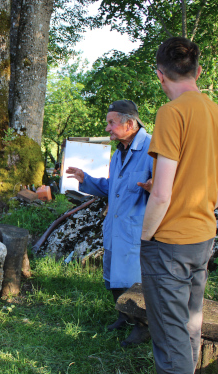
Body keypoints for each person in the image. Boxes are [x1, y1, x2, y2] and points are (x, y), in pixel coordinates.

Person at [136, 37, 218, 374]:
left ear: (160, 75)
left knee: (170, 334)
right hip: (202, 238)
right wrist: (200, 210)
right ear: (199, 71)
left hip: (169, 244)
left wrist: (146, 236)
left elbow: (161, 193)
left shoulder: (171, 114)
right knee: (190, 324)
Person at [66, 100, 153, 347]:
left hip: (137, 226)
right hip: (115, 225)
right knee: (114, 273)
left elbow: (168, 188)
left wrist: (153, 188)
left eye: (111, 123)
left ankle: (142, 326)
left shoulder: (152, 149)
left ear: (129, 123)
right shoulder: (118, 154)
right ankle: (124, 316)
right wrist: (86, 179)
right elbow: (111, 188)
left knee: (134, 278)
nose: (107, 128)